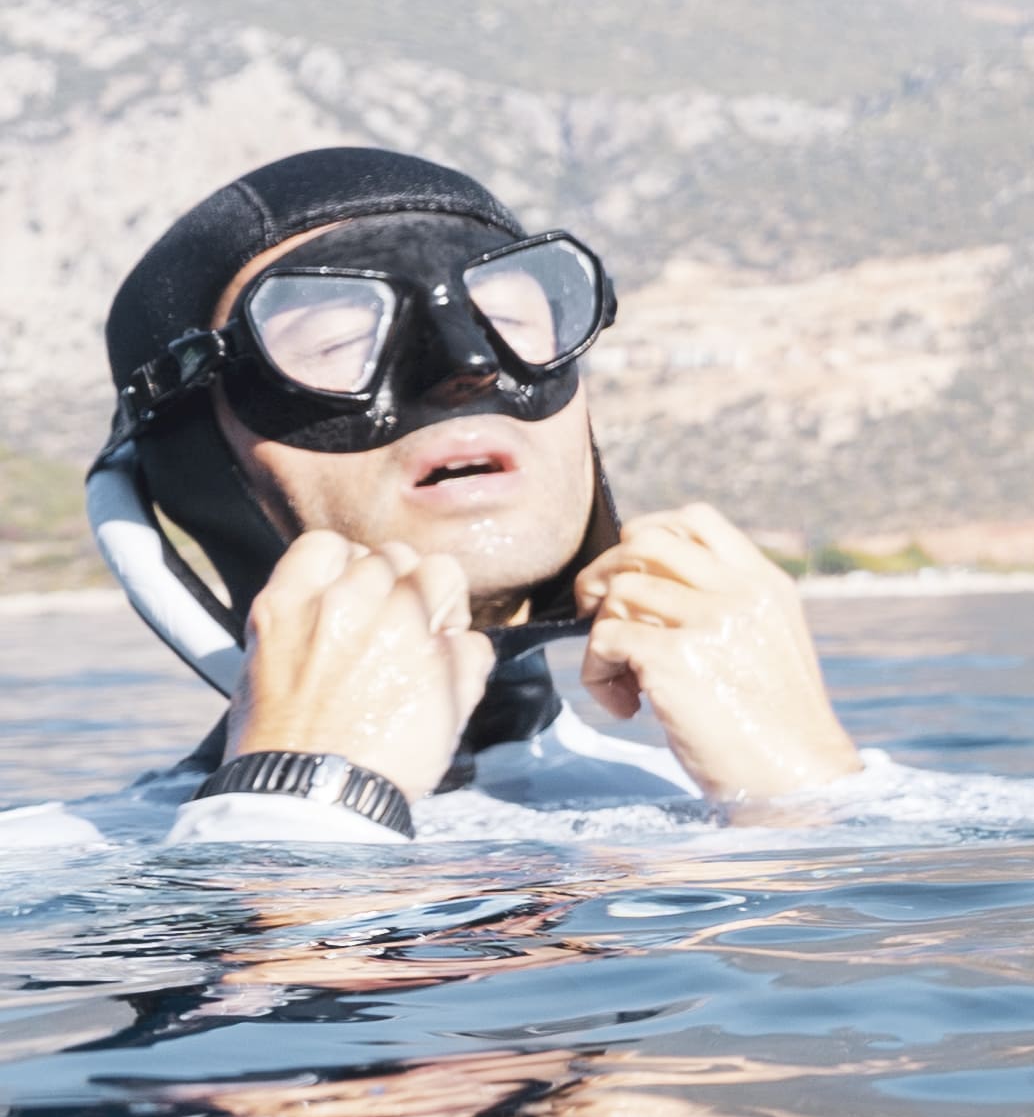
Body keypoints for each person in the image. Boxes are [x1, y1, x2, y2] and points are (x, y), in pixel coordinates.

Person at [57, 142, 902, 853]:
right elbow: (266, 995)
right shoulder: (58, 864)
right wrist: (293, 799)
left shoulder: (818, 794)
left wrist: (815, 788)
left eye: (512, 322)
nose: (469, 366)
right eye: (342, 342)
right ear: (196, 463)